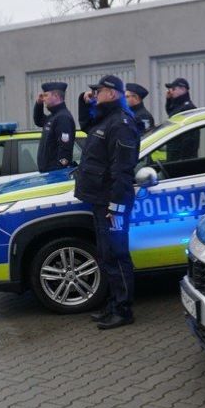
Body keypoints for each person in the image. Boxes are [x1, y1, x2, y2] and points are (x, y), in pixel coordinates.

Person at [74, 75, 139, 329]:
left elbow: (122, 170)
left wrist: (116, 205)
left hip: (112, 202)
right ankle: (113, 304)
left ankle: (123, 310)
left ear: (112, 93)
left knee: (117, 254)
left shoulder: (121, 124)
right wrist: (85, 102)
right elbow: (87, 124)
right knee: (106, 255)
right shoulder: (106, 119)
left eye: (98, 91)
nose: (95, 94)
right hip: (100, 200)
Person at [33, 81, 77, 172]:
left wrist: (59, 171)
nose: (43, 99)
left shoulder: (63, 118)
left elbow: (65, 150)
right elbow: (38, 121)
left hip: (54, 174)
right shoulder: (53, 116)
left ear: (56, 96)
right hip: (48, 172)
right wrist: (39, 104)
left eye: (46, 95)